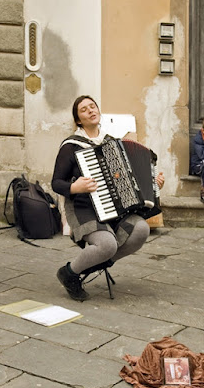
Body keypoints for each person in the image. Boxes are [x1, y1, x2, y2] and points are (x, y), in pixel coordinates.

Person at [52, 95, 165, 301]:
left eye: (93, 106)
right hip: (83, 208)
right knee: (107, 245)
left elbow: (130, 180)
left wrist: (153, 184)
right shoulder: (71, 146)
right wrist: (75, 186)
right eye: (84, 110)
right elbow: (56, 183)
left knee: (141, 229)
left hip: (114, 207)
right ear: (78, 120)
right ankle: (70, 273)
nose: (91, 111)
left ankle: (94, 264)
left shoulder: (112, 143)